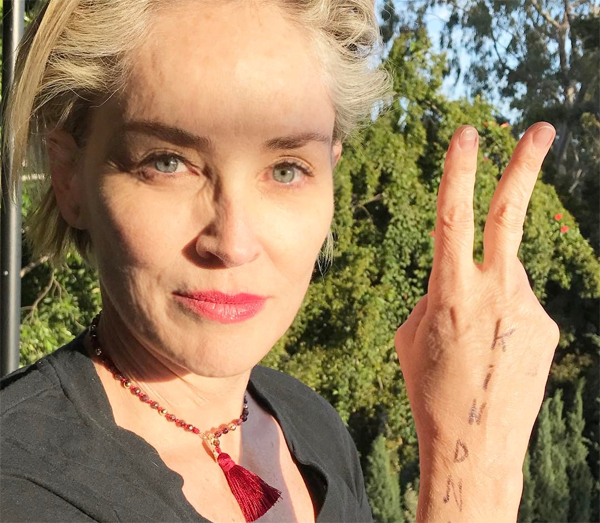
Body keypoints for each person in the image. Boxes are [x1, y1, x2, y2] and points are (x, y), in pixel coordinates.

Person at [0, 1, 560, 522]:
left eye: (287, 169)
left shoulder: (311, 424)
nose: (233, 242)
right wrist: (469, 475)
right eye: (167, 162)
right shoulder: (19, 484)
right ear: (69, 177)